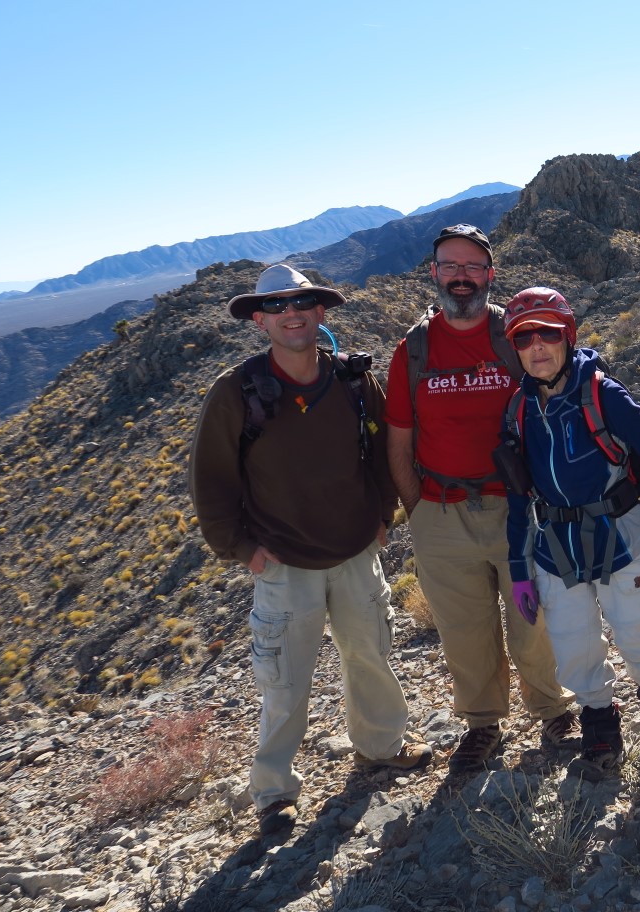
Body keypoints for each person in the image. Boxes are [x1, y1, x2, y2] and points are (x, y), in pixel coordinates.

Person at [189, 263, 432, 837]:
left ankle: (380, 745)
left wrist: (381, 516)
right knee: (285, 682)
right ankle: (273, 791)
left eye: (301, 302)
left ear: (320, 312)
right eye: (275, 306)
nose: (290, 313)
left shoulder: (351, 380)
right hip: (283, 564)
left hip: (353, 553)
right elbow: (212, 479)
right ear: (258, 321)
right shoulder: (237, 392)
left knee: (371, 655)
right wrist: (241, 548)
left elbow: (381, 452)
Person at [385, 225, 575, 776]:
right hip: (440, 511)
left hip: (519, 507)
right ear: (434, 274)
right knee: (464, 631)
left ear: (490, 275)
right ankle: (483, 725)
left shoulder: (514, 336)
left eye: (472, 267)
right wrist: (418, 509)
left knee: (532, 619)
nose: (462, 276)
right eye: (451, 266)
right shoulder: (413, 350)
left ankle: (552, 709)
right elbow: (398, 438)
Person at [497, 287, 640, 780]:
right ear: (514, 348)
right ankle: (600, 722)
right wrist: (519, 573)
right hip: (555, 547)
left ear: (568, 337)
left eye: (548, 334)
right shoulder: (518, 411)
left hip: (619, 536)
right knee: (572, 644)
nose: (537, 347)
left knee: (639, 634)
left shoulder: (602, 394)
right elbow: (518, 496)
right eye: (524, 338)